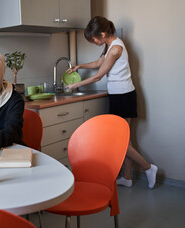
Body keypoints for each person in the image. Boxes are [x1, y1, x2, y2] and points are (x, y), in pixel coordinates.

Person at [66, 16, 158, 189]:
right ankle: (127, 177)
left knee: (121, 140)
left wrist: (76, 85)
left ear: (102, 34)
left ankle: (148, 167)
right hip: (121, 94)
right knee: (126, 139)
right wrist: (79, 66)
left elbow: (99, 74)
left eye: (93, 38)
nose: (93, 42)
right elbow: (99, 62)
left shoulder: (116, 49)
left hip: (122, 96)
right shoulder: (110, 45)